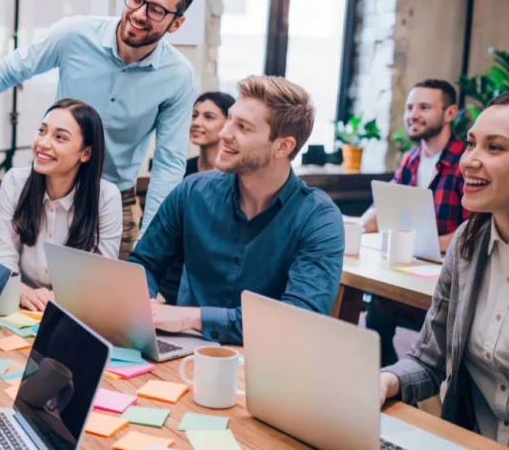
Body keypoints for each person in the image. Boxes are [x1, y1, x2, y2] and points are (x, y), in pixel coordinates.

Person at [0, 0, 199, 259]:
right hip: (50, 195)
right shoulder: (74, 34)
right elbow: (10, 71)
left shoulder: (179, 76)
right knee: (29, 291)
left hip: (117, 204)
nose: (139, 14)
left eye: (156, 10)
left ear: (176, 23)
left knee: (109, 297)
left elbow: (168, 164)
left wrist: (148, 243)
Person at [128, 75, 345, 344]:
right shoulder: (192, 191)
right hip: (182, 351)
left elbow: (298, 320)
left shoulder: (318, 219)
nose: (223, 133)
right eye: (230, 119)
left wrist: (189, 318)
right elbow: (144, 263)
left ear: (283, 146)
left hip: (266, 363)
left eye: (243, 127)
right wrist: (142, 306)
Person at [379, 93, 509, 445]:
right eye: (471, 145)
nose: (469, 161)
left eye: (495, 148)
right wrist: (385, 381)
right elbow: (428, 360)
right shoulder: (468, 243)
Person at [361, 80, 468, 366]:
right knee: (375, 317)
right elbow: (382, 206)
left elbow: (475, 227)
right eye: (410, 107)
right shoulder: (411, 159)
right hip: (411, 268)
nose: (412, 115)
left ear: (450, 113)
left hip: (447, 277)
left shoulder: (465, 161)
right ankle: (390, 384)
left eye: (424, 107)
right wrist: (359, 226)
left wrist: (432, 246)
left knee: (433, 346)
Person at [0, 99, 122, 311]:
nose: (43, 143)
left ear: (85, 153)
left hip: (76, 311)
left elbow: (101, 279)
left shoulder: (106, 197)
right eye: (42, 131)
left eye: (60, 137)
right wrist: (24, 293)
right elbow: (3, 261)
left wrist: (59, 298)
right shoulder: (15, 182)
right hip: (21, 306)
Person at [152, 91, 234, 302]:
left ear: (228, 124)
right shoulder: (180, 171)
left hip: (204, 277)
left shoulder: (234, 179)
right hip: (169, 266)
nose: (196, 122)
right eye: (194, 115)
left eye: (208, 117)